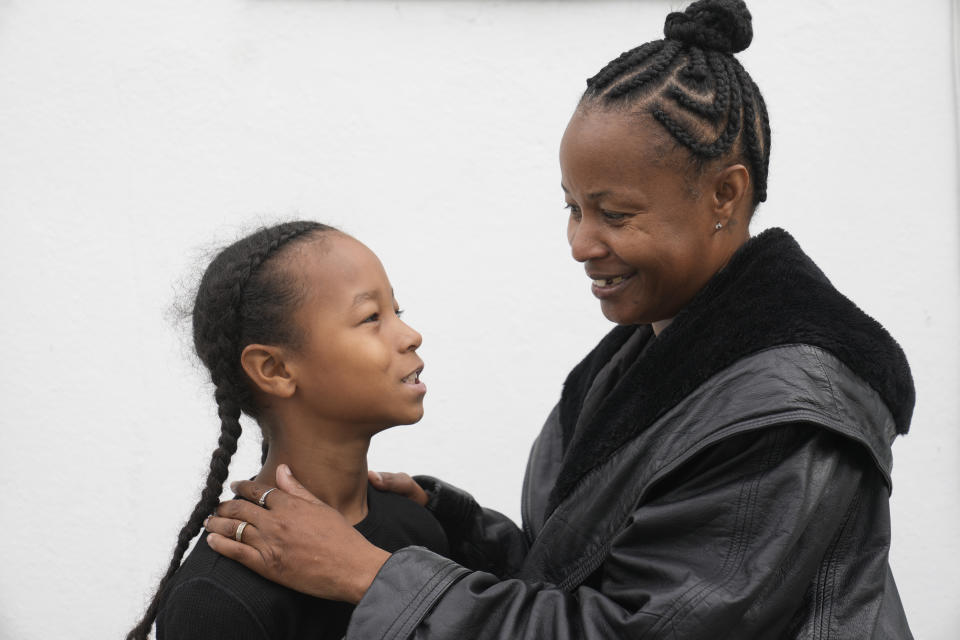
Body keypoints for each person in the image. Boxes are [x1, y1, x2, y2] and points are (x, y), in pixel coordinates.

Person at [203, 1, 916, 637]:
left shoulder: (785, 416)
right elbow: (594, 576)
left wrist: (369, 575)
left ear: (724, 195)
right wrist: (461, 529)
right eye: (572, 208)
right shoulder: (643, 355)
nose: (579, 243)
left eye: (615, 213)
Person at [126, 221, 449, 640]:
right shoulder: (216, 598)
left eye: (397, 311)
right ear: (274, 369)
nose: (411, 335)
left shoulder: (418, 530)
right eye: (372, 317)